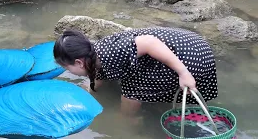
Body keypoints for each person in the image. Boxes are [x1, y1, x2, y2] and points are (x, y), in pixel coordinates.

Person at [53, 27, 218, 116]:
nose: (68, 71)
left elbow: (149, 42)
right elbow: (98, 75)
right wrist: (91, 90)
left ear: (78, 62)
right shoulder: (96, 52)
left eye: (66, 68)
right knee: (132, 83)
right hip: (192, 42)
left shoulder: (112, 54)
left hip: (193, 58)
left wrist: (184, 73)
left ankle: (130, 119)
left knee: (130, 92)